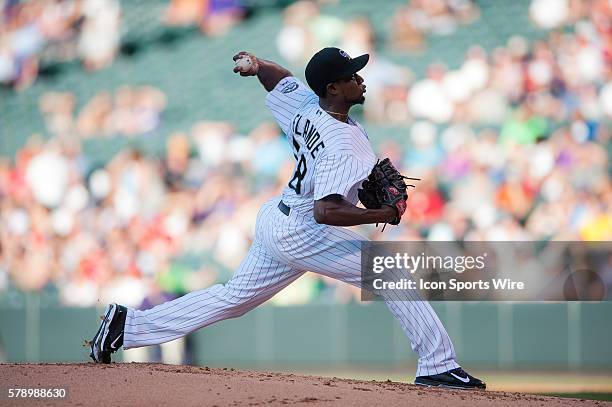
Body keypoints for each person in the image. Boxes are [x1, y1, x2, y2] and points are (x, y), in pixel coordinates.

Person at [88, 47, 485, 389]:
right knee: (390, 272)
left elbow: (281, 80)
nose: (360, 79)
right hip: (305, 229)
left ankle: (128, 326)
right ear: (333, 88)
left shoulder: (308, 106)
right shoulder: (341, 143)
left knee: (233, 298)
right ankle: (439, 365)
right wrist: (381, 212)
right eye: (351, 76)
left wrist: (258, 65)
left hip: (277, 219)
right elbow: (325, 211)